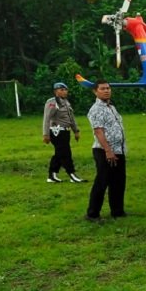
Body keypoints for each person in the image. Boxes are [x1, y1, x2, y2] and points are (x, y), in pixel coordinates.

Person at [85, 80, 127, 222]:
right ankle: (92, 213)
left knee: (118, 182)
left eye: (108, 88)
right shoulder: (96, 109)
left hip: (118, 150)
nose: (106, 91)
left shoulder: (111, 107)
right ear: (95, 92)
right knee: (102, 182)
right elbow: (98, 131)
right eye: (102, 89)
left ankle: (117, 210)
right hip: (104, 151)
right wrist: (108, 151)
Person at [42, 82, 86, 183]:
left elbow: (71, 118)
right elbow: (46, 119)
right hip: (56, 131)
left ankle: (52, 175)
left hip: (66, 132)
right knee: (66, 153)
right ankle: (72, 174)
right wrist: (45, 134)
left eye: (65, 90)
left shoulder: (66, 102)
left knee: (59, 153)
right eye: (61, 90)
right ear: (55, 91)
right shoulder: (52, 102)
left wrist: (76, 131)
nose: (64, 91)